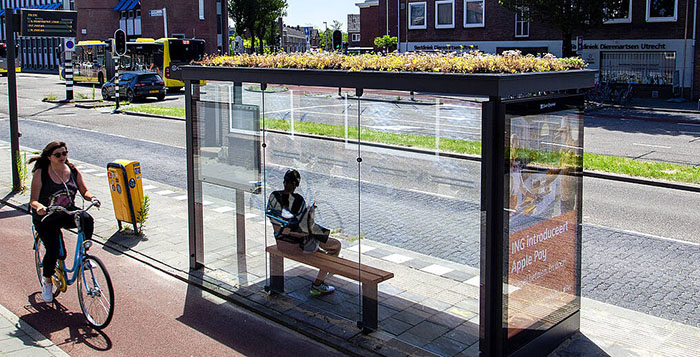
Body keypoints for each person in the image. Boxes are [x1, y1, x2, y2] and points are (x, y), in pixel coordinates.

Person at [29, 141, 100, 303]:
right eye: (58, 155)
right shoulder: (41, 173)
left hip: (66, 211)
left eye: (65, 153)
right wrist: (39, 207)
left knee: (86, 219)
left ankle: (84, 255)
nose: (62, 157)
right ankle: (47, 282)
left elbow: (84, 190)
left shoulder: (73, 171)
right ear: (49, 157)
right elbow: (33, 200)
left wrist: (92, 198)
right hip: (46, 217)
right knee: (55, 251)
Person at [266, 169, 341, 296]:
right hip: (298, 246)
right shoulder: (299, 200)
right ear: (297, 185)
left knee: (320, 248)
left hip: (281, 243)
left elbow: (280, 220)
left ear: (284, 182)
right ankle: (317, 285)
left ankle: (325, 267)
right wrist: (311, 214)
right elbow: (307, 228)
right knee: (335, 246)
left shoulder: (273, 196)